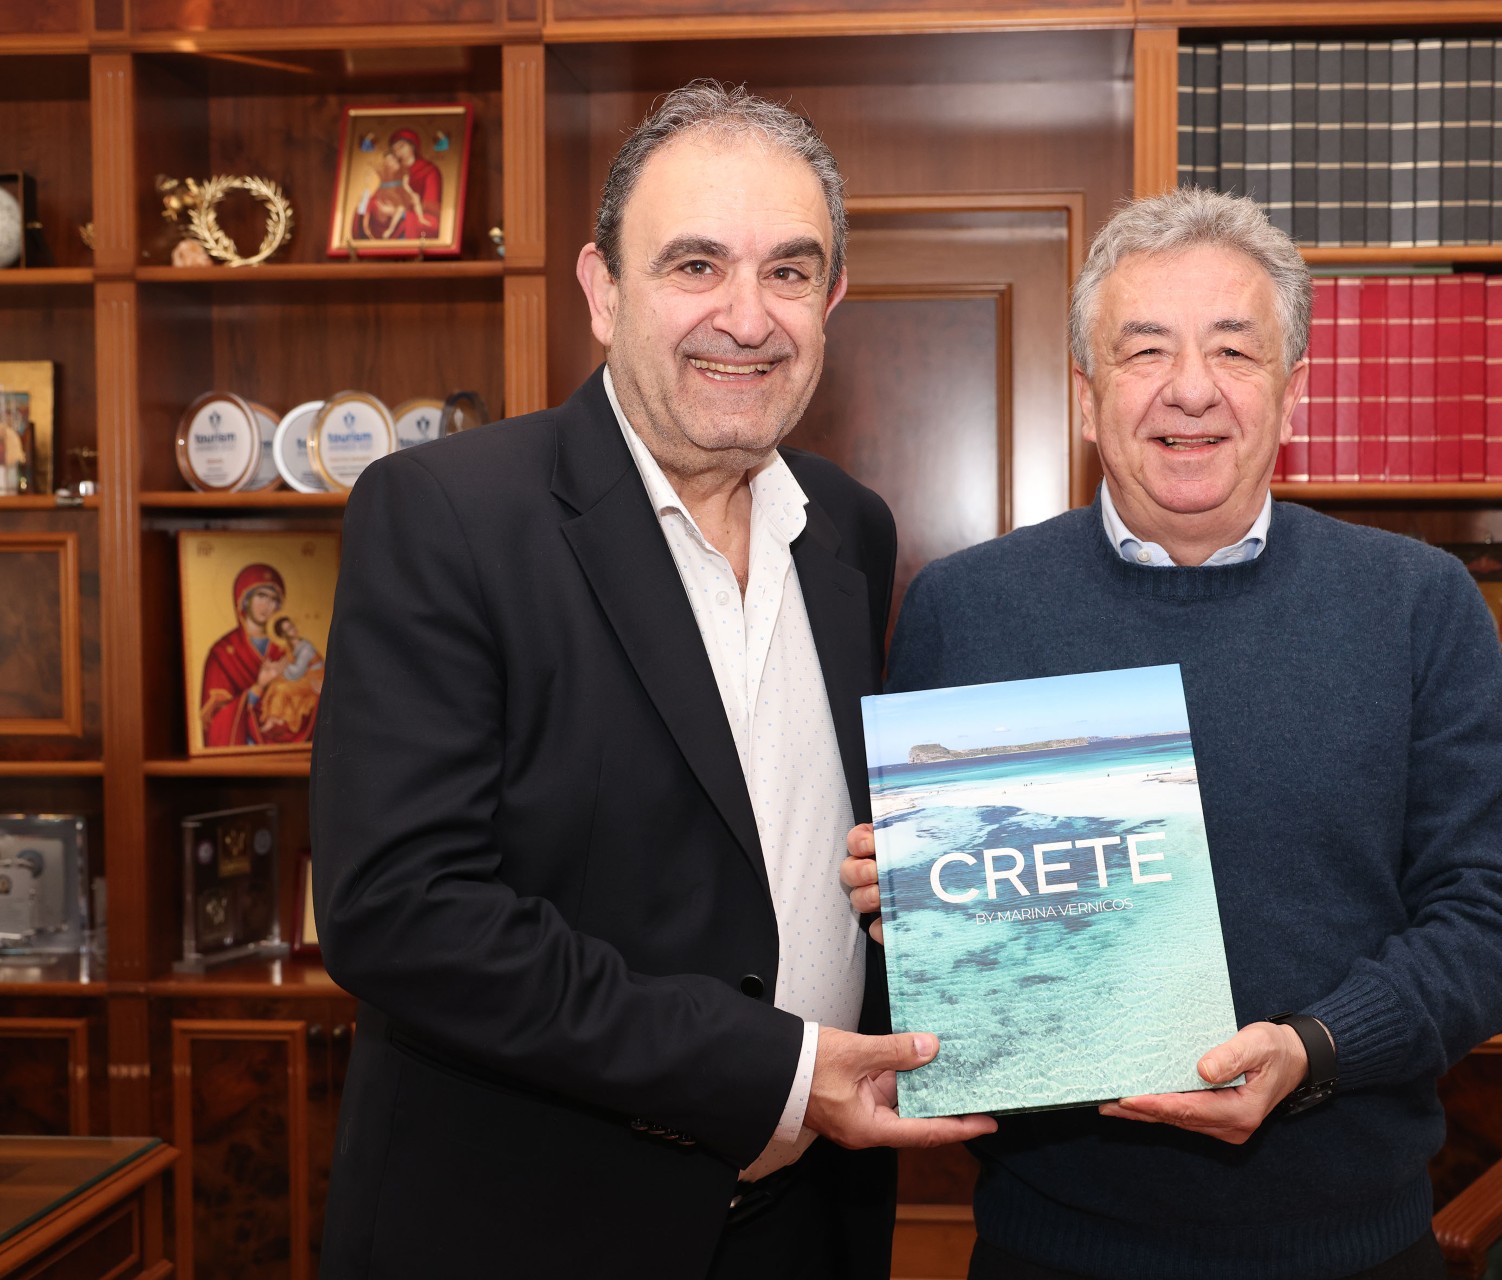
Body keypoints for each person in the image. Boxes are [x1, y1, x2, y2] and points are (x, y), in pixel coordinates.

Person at [312, 83, 991, 1280]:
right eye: (695, 264)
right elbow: (402, 910)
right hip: (536, 1228)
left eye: (789, 271)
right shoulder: (447, 516)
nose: (747, 316)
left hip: (808, 1222)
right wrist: (777, 1069)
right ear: (602, 290)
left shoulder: (848, 528)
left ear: (832, 300)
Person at [842, 188, 1502, 1280]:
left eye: (1234, 350)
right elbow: (930, 966)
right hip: (1052, 1250)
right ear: (1088, 398)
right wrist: (902, 905)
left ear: (1292, 394)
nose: (1191, 389)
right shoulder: (966, 608)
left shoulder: (1418, 605)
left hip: (1352, 1250)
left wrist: (1315, 1049)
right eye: (1145, 351)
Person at [199, 563, 311, 749]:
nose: (267, 605)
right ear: (244, 600)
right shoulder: (223, 652)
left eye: (274, 599)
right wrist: (259, 687)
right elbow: (213, 717)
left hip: (289, 742)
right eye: (261, 596)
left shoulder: (287, 648)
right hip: (245, 745)